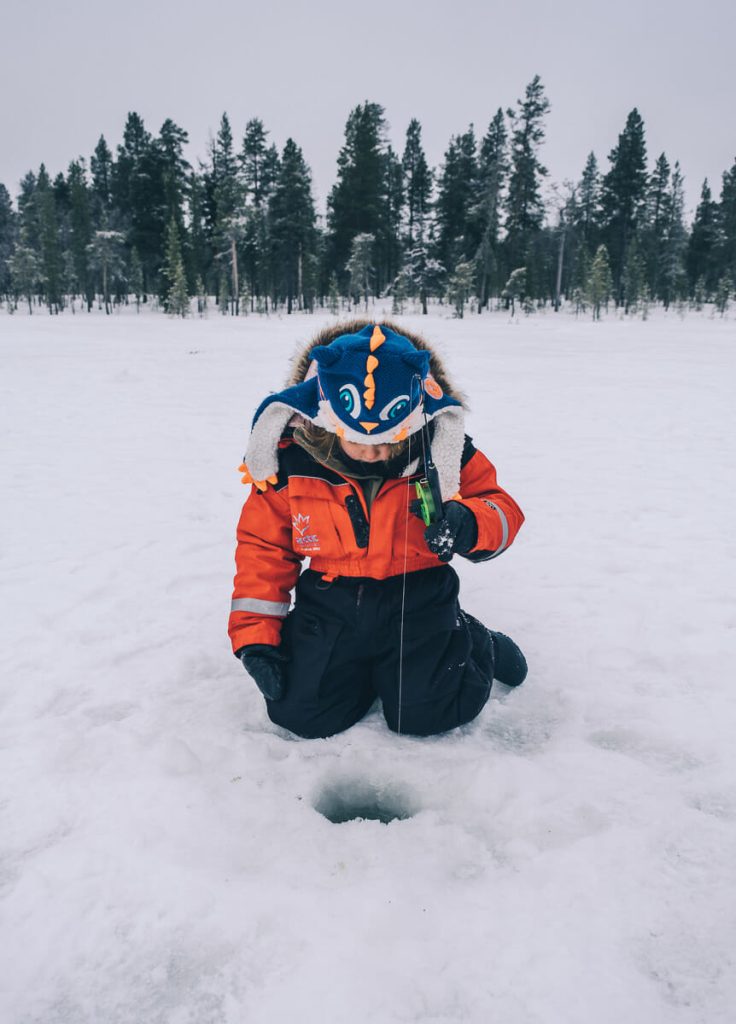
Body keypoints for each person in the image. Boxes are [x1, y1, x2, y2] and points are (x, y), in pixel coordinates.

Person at [228, 320, 527, 739]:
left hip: (419, 596)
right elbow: (263, 548)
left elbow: (503, 509)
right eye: (358, 441)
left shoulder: (442, 450)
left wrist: (469, 523)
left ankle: (476, 641)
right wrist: (256, 639)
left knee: (428, 715)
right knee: (301, 714)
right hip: (331, 601)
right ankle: (368, 670)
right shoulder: (292, 461)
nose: (373, 452)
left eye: (389, 440)